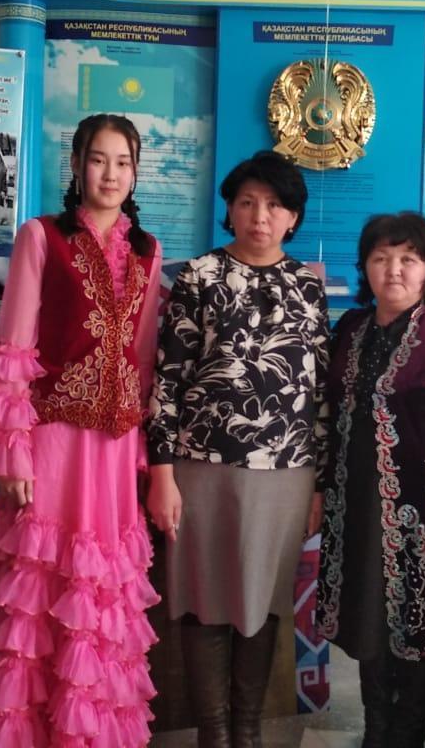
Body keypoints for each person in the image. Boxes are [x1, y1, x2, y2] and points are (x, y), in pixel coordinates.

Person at [0, 113, 164, 748]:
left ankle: (88, 729)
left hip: (115, 444)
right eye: (98, 159)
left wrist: (141, 444)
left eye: (123, 162)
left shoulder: (148, 251)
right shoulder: (41, 237)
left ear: (135, 172)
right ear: (77, 164)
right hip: (53, 434)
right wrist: (13, 454)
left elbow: (142, 354)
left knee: (100, 588)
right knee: (38, 582)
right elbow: (14, 346)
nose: (110, 174)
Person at [146, 150, 329, 748]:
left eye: (274, 205)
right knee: (204, 594)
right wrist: (161, 472)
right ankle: (214, 732)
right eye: (247, 202)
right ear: (230, 209)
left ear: (293, 217)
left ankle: (247, 731)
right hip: (201, 468)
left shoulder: (308, 286)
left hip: (287, 472)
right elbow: (168, 379)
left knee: (263, 594)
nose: (260, 216)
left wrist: (320, 484)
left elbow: (320, 391)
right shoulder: (199, 276)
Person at [318, 212, 425, 748]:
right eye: (381, 258)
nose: (394, 269)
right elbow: (327, 416)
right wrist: (320, 491)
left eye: (408, 258)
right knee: (368, 623)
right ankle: (376, 733)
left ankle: (407, 737)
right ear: (364, 267)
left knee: (421, 629)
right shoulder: (350, 329)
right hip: (357, 508)